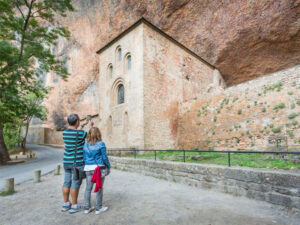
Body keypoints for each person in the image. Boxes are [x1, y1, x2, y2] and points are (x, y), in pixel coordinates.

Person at [61, 113, 92, 214]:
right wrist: (90, 125)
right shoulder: (81, 134)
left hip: (67, 162)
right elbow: (89, 134)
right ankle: (74, 206)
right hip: (77, 163)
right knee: (75, 183)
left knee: (66, 182)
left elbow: (75, 131)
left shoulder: (64, 133)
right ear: (77, 122)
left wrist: (83, 124)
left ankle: (66, 204)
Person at [83, 127, 111, 215]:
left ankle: (87, 208)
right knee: (99, 187)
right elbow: (104, 157)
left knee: (88, 188)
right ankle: (98, 208)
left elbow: (84, 157)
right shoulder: (101, 144)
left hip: (88, 168)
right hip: (98, 168)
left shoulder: (85, 145)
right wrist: (108, 166)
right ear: (98, 134)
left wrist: (88, 164)